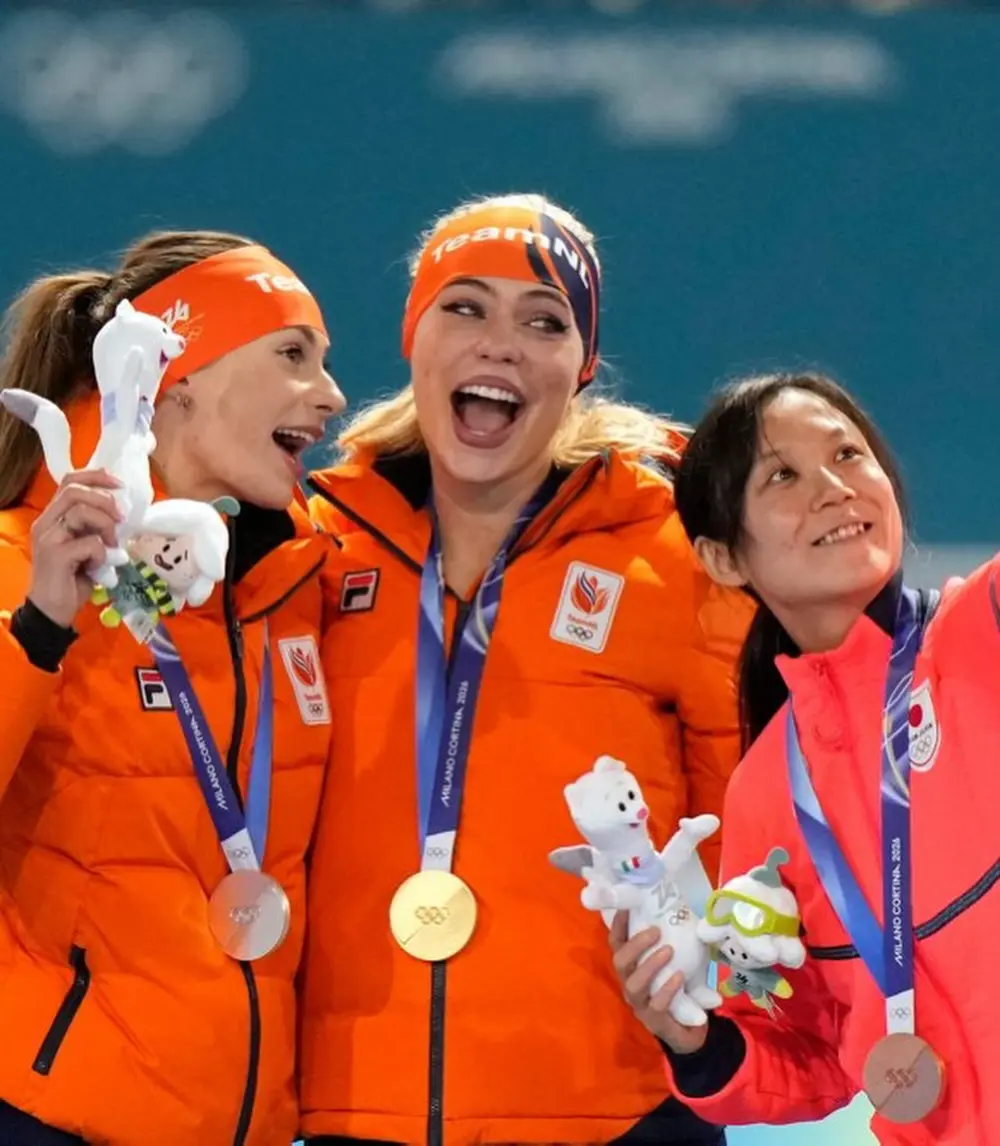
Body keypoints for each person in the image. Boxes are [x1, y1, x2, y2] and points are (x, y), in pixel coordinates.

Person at [299, 193, 753, 1146]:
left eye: (542, 322)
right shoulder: (313, 557)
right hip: (352, 1110)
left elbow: (748, 846)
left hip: (615, 1113)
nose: (499, 344)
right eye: (464, 307)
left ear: (580, 368)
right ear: (412, 333)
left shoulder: (676, 558)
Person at [0, 231, 344, 1145]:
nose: (333, 396)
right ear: (179, 379)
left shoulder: (294, 589)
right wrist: (37, 626)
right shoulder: (15, 565)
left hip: (247, 1120)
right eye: (292, 355)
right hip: (51, 1110)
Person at [611, 371, 997, 1146]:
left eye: (849, 455)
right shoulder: (764, 790)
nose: (833, 488)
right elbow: (813, 1051)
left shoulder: (983, 627)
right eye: (782, 475)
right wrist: (693, 1038)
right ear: (723, 559)